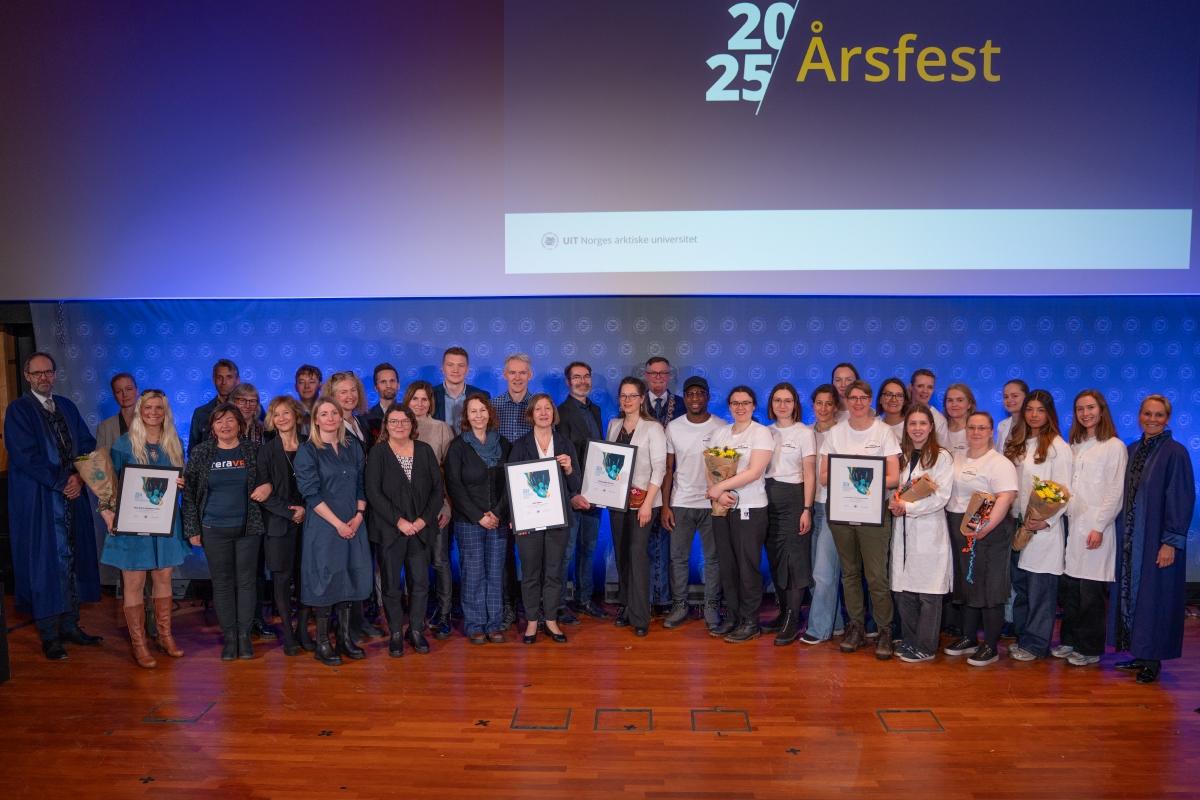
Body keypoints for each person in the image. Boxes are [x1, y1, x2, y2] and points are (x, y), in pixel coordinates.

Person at [6, 351, 103, 660]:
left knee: (73, 558)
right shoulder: (19, 410)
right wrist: (63, 481)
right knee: (45, 564)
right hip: (41, 501)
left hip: (72, 498)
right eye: (37, 373)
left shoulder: (66, 406)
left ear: (55, 374)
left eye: (48, 372)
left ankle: (71, 625)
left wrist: (79, 476)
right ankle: (49, 635)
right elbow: (26, 456)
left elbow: (86, 445)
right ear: (27, 376)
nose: (43, 378)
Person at [98, 389, 191, 668]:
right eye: (148, 407)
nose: (153, 412)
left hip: (164, 521)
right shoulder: (124, 444)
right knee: (134, 582)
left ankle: (165, 636)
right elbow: (108, 485)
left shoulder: (173, 443)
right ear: (140, 410)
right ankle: (139, 644)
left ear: (165, 412)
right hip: (133, 523)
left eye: (158, 408)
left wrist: (182, 483)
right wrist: (106, 512)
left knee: (164, 576)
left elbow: (180, 479)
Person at [1112, 395, 1196, 685]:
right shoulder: (1133, 450)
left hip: (1156, 541)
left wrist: (1170, 542)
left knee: (1155, 599)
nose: (1152, 419)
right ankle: (1139, 652)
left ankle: (1153, 660)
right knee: (1134, 596)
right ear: (1139, 416)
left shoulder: (1176, 453)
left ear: (1167, 418)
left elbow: (1181, 498)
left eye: (1159, 415)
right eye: (1147, 413)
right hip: (1131, 541)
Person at [819, 379, 901, 659]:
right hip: (841, 511)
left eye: (863, 398)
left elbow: (894, 477)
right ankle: (856, 627)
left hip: (873, 512)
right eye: (852, 398)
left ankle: (884, 630)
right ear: (846, 401)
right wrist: (855, 474)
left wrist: (856, 475)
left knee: (876, 575)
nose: (857, 403)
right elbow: (823, 476)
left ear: (870, 400)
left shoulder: (883, 431)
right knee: (850, 572)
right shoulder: (836, 433)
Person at [182, 402, 264, 661]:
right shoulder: (201, 452)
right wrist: (192, 529)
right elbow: (189, 494)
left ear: (239, 424)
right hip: (213, 528)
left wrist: (269, 486)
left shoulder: (253, 450)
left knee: (247, 582)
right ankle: (230, 637)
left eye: (230, 420)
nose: (225, 425)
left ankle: (244, 636)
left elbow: (267, 481)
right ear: (212, 427)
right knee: (222, 583)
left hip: (248, 528)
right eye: (219, 421)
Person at [295, 398, 371, 666]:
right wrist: (338, 524)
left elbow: (362, 483)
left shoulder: (353, 446)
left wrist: (359, 516)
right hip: (325, 526)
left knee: (350, 575)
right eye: (324, 414)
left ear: (341, 417)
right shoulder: (308, 451)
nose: (330, 418)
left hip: (354, 522)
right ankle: (323, 643)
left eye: (334, 413)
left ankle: (344, 638)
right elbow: (310, 494)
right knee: (325, 580)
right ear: (315, 419)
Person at [365, 405, 442, 657]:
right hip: (390, 532)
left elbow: (437, 490)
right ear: (386, 425)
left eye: (404, 421)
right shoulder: (378, 453)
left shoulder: (425, 450)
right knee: (391, 586)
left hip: (420, 531)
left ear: (412, 424)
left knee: (420, 583)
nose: (399, 425)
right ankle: (396, 633)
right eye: (394, 421)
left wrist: (422, 521)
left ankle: (416, 630)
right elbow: (373, 492)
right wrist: (399, 521)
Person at [943, 412, 1017, 667]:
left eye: (982, 428)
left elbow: (1005, 497)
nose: (976, 432)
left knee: (988, 587)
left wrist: (985, 527)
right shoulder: (957, 458)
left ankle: (991, 646)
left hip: (988, 530)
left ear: (990, 431)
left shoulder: (999, 463)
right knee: (967, 584)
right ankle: (969, 637)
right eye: (972, 427)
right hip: (958, 526)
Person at [508, 394, 583, 644]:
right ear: (531, 414)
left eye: (547, 408)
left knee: (554, 572)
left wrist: (569, 468)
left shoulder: (565, 444)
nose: (543, 413)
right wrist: (515, 516)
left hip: (558, 520)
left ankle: (550, 620)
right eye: (538, 409)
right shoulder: (520, 445)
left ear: (553, 413)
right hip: (528, 520)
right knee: (530, 572)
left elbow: (576, 485)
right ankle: (532, 622)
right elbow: (511, 485)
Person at [1058, 389, 1126, 667]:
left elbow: (1115, 492)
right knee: (1072, 589)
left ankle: (1089, 648)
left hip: (1096, 528)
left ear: (1102, 410)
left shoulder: (1114, 446)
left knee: (1091, 593)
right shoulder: (1075, 445)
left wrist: (1099, 526)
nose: (1085, 414)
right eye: (1080, 409)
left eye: (1090, 408)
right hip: (1073, 526)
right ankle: (1070, 640)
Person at [1004, 389, 1071, 662]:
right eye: (1030, 409)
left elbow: (1064, 491)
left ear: (1049, 414)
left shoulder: (1058, 447)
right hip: (1018, 525)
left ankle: (1036, 645)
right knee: (1021, 588)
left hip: (1043, 530)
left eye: (1040, 410)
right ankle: (1023, 637)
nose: (1034, 415)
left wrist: (1047, 520)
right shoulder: (1019, 442)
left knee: (1040, 591)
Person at [706, 386, 774, 643]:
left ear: (754, 406)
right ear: (729, 406)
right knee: (728, 565)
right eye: (735, 403)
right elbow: (710, 468)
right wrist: (718, 494)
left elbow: (754, 472)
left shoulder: (761, 433)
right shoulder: (720, 433)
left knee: (747, 567)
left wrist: (719, 488)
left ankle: (750, 621)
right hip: (722, 508)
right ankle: (733, 617)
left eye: (745, 403)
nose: (740, 407)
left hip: (750, 508)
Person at [887, 405, 954, 662]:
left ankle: (925, 647)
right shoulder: (902, 455)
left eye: (922, 423)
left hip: (929, 530)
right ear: (906, 428)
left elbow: (941, 497)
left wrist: (908, 507)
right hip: (903, 530)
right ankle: (910, 641)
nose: (917, 428)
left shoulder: (942, 457)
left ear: (931, 427)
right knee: (904, 591)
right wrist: (895, 503)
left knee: (928, 593)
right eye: (912, 424)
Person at [444, 394, 512, 644]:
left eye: (482, 410)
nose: (478, 415)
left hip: (498, 520)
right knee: (473, 573)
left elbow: (510, 483)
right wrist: (478, 516)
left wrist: (498, 512)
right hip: (468, 521)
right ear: (466, 416)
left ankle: (494, 624)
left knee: (495, 573)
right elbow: (454, 486)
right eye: (473, 411)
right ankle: (475, 624)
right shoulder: (458, 446)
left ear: (489, 413)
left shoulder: (503, 444)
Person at [603, 377, 666, 637]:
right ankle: (627, 607)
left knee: (637, 555)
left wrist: (648, 504)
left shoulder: (653, 428)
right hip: (617, 502)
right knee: (622, 555)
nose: (627, 400)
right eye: (623, 396)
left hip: (643, 503)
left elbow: (659, 469)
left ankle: (641, 616)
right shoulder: (613, 425)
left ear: (642, 399)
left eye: (632, 396)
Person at [660, 375, 725, 631]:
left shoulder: (721, 427)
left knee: (713, 559)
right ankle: (679, 606)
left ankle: (711, 606)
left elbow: (726, 469)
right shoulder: (673, 427)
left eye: (700, 393)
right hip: (681, 502)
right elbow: (668, 468)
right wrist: (666, 505)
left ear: (708, 396)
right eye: (690, 394)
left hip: (712, 503)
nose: (695, 398)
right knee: (678, 558)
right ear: (684, 398)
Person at [255, 396, 311, 656]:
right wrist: (291, 513)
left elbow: (320, 483)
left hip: (309, 523)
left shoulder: (310, 445)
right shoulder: (266, 451)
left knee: (305, 579)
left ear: (296, 415)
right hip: (278, 525)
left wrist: (305, 509)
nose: (281, 418)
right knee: (282, 579)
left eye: (286, 413)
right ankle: (288, 634)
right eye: (276, 414)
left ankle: (303, 631)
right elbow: (263, 492)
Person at [762, 382, 816, 645]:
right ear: (771, 404)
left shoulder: (804, 433)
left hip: (794, 499)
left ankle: (793, 620)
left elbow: (809, 473)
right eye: (777, 400)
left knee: (794, 560)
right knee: (775, 558)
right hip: (767, 498)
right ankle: (783, 612)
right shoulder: (764, 432)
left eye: (787, 400)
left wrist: (807, 509)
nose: (782, 405)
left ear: (795, 404)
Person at [402, 380, 454, 638]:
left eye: (425, 399)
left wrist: (447, 506)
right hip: (408, 512)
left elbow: (450, 472)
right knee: (414, 564)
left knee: (439, 560)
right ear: (407, 401)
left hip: (436, 508)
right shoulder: (399, 428)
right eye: (415, 399)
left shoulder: (442, 428)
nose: (420, 404)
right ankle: (417, 616)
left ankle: (444, 614)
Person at [557, 360, 607, 619]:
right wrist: (572, 494)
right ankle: (557, 605)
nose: (582, 381)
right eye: (576, 377)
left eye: (586, 376)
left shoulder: (596, 410)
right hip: (572, 494)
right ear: (568, 382)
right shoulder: (560, 413)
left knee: (588, 548)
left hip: (595, 493)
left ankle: (583, 599)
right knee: (565, 552)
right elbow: (560, 457)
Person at [799, 385, 847, 646]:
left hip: (834, 508)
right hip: (809, 507)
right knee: (812, 572)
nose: (824, 408)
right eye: (819, 403)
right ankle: (835, 623)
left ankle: (818, 628)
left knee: (824, 571)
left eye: (829, 403)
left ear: (836, 407)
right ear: (813, 404)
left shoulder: (843, 434)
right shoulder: (805, 433)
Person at [494, 353, 534, 628]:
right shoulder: (493, 407)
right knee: (504, 553)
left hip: (534, 488)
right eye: (512, 372)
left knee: (533, 553)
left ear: (530, 375)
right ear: (505, 375)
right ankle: (508, 606)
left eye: (522, 372)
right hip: (501, 488)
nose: (517, 377)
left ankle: (534, 607)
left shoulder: (540, 406)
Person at [643, 357, 684, 615]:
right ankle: (645, 598)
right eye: (653, 373)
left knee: (669, 544)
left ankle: (666, 598)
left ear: (669, 376)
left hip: (673, 482)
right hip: (641, 484)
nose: (658, 377)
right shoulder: (636, 402)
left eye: (663, 373)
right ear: (646, 375)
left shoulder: (681, 404)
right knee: (643, 544)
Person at [188, 359, 240, 454]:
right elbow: (193, 451)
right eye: (219, 377)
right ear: (214, 380)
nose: (224, 382)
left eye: (229, 377)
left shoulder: (251, 410)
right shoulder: (200, 413)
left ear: (237, 380)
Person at [432, 346, 485, 435]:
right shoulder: (430, 395)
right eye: (450, 365)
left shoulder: (482, 396)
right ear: (442, 369)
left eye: (461, 365)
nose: (455, 370)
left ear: (467, 370)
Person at [96, 372, 138, 454]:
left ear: (137, 391)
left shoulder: (153, 421)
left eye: (129, 389)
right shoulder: (104, 427)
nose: (125, 394)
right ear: (114, 396)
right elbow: (100, 459)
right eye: (118, 391)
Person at [364, 362, 400, 442]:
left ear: (398, 385)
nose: (388, 385)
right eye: (383, 382)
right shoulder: (366, 418)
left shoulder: (409, 414)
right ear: (376, 388)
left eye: (392, 381)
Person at [909, 369, 948, 439]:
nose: (925, 391)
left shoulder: (939, 420)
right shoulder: (899, 414)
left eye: (930, 387)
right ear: (911, 387)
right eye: (920, 386)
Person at [941, 383, 975, 463]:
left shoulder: (977, 430)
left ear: (969, 404)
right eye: (950, 400)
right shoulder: (940, 429)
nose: (954, 404)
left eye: (960, 400)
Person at [996, 379, 1028, 449]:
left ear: (1026, 397)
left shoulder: (1033, 426)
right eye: (1006, 397)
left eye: (1015, 396)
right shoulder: (1001, 425)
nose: (1009, 400)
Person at [230, 383, 265, 448]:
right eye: (242, 400)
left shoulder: (266, 431)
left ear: (257, 405)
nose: (247, 406)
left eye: (252, 401)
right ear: (233, 402)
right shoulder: (225, 429)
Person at [876, 378, 909, 442]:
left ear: (904, 401)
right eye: (888, 395)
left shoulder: (912, 426)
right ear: (880, 399)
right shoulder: (873, 426)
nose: (893, 400)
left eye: (899, 395)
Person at [293, 364, 323, 434]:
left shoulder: (329, 411)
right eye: (302, 382)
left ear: (320, 385)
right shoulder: (289, 413)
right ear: (296, 387)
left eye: (311, 382)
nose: (306, 386)